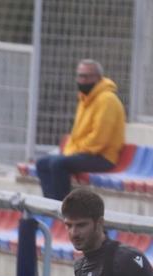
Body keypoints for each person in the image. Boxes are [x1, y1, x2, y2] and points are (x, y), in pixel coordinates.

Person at [35, 59, 126, 201]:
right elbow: (78, 133)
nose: (82, 80)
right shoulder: (86, 99)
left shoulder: (107, 100)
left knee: (59, 163)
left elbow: (99, 140)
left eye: (87, 76)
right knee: (42, 163)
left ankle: (62, 209)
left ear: (98, 78)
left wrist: (74, 152)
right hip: (86, 153)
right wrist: (71, 152)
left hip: (102, 157)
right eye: (80, 76)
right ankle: (49, 204)